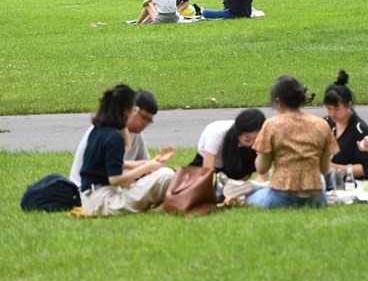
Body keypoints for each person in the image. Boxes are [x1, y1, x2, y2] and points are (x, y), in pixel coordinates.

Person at [75, 84, 175, 216]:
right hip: (102, 200)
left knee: (161, 173)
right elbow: (115, 180)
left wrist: (144, 164)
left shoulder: (101, 129)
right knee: (166, 175)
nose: (134, 112)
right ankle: (158, 208)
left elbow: (116, 161)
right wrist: (148, 166)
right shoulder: (113, 137)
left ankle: (158, 206)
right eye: (134, 109)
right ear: (125, 111)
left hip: (93, 197)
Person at [246, 76, 334, 209]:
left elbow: (262, 167)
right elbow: (324, 168)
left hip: (283, 196)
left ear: (277, 101)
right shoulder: (321, 124)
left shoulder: (272, 125)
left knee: (246, 198)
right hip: (316, 196)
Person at [70, 89, 167, 187]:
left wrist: (150, 165)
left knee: (164, 175)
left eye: (149, 121)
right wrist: (144, 167)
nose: (145, 124)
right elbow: (112, 174)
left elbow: (146, 168)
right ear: (131, 110)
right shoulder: (107, 132)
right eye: (143, 118)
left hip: (111, 187)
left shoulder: (136, 135)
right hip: (92, 188)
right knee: (165, 176)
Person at [322, 70, 368, 182]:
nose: (332, 114)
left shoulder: (360, 130)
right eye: (329, 109)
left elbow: (364, 169)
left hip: (349, 183)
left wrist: (332, 167)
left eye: (337, 109)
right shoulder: (325, 123)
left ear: (349, 105)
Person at [189, 108, 266, 180]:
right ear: (239, 131)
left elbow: (263, 167)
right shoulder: (217, 134)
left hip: (236, 160)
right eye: (247, 138)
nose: (251, 142)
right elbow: (208, 171)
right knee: (195, 181)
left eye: (255, 139)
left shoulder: (262, 137)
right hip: (210, 159)